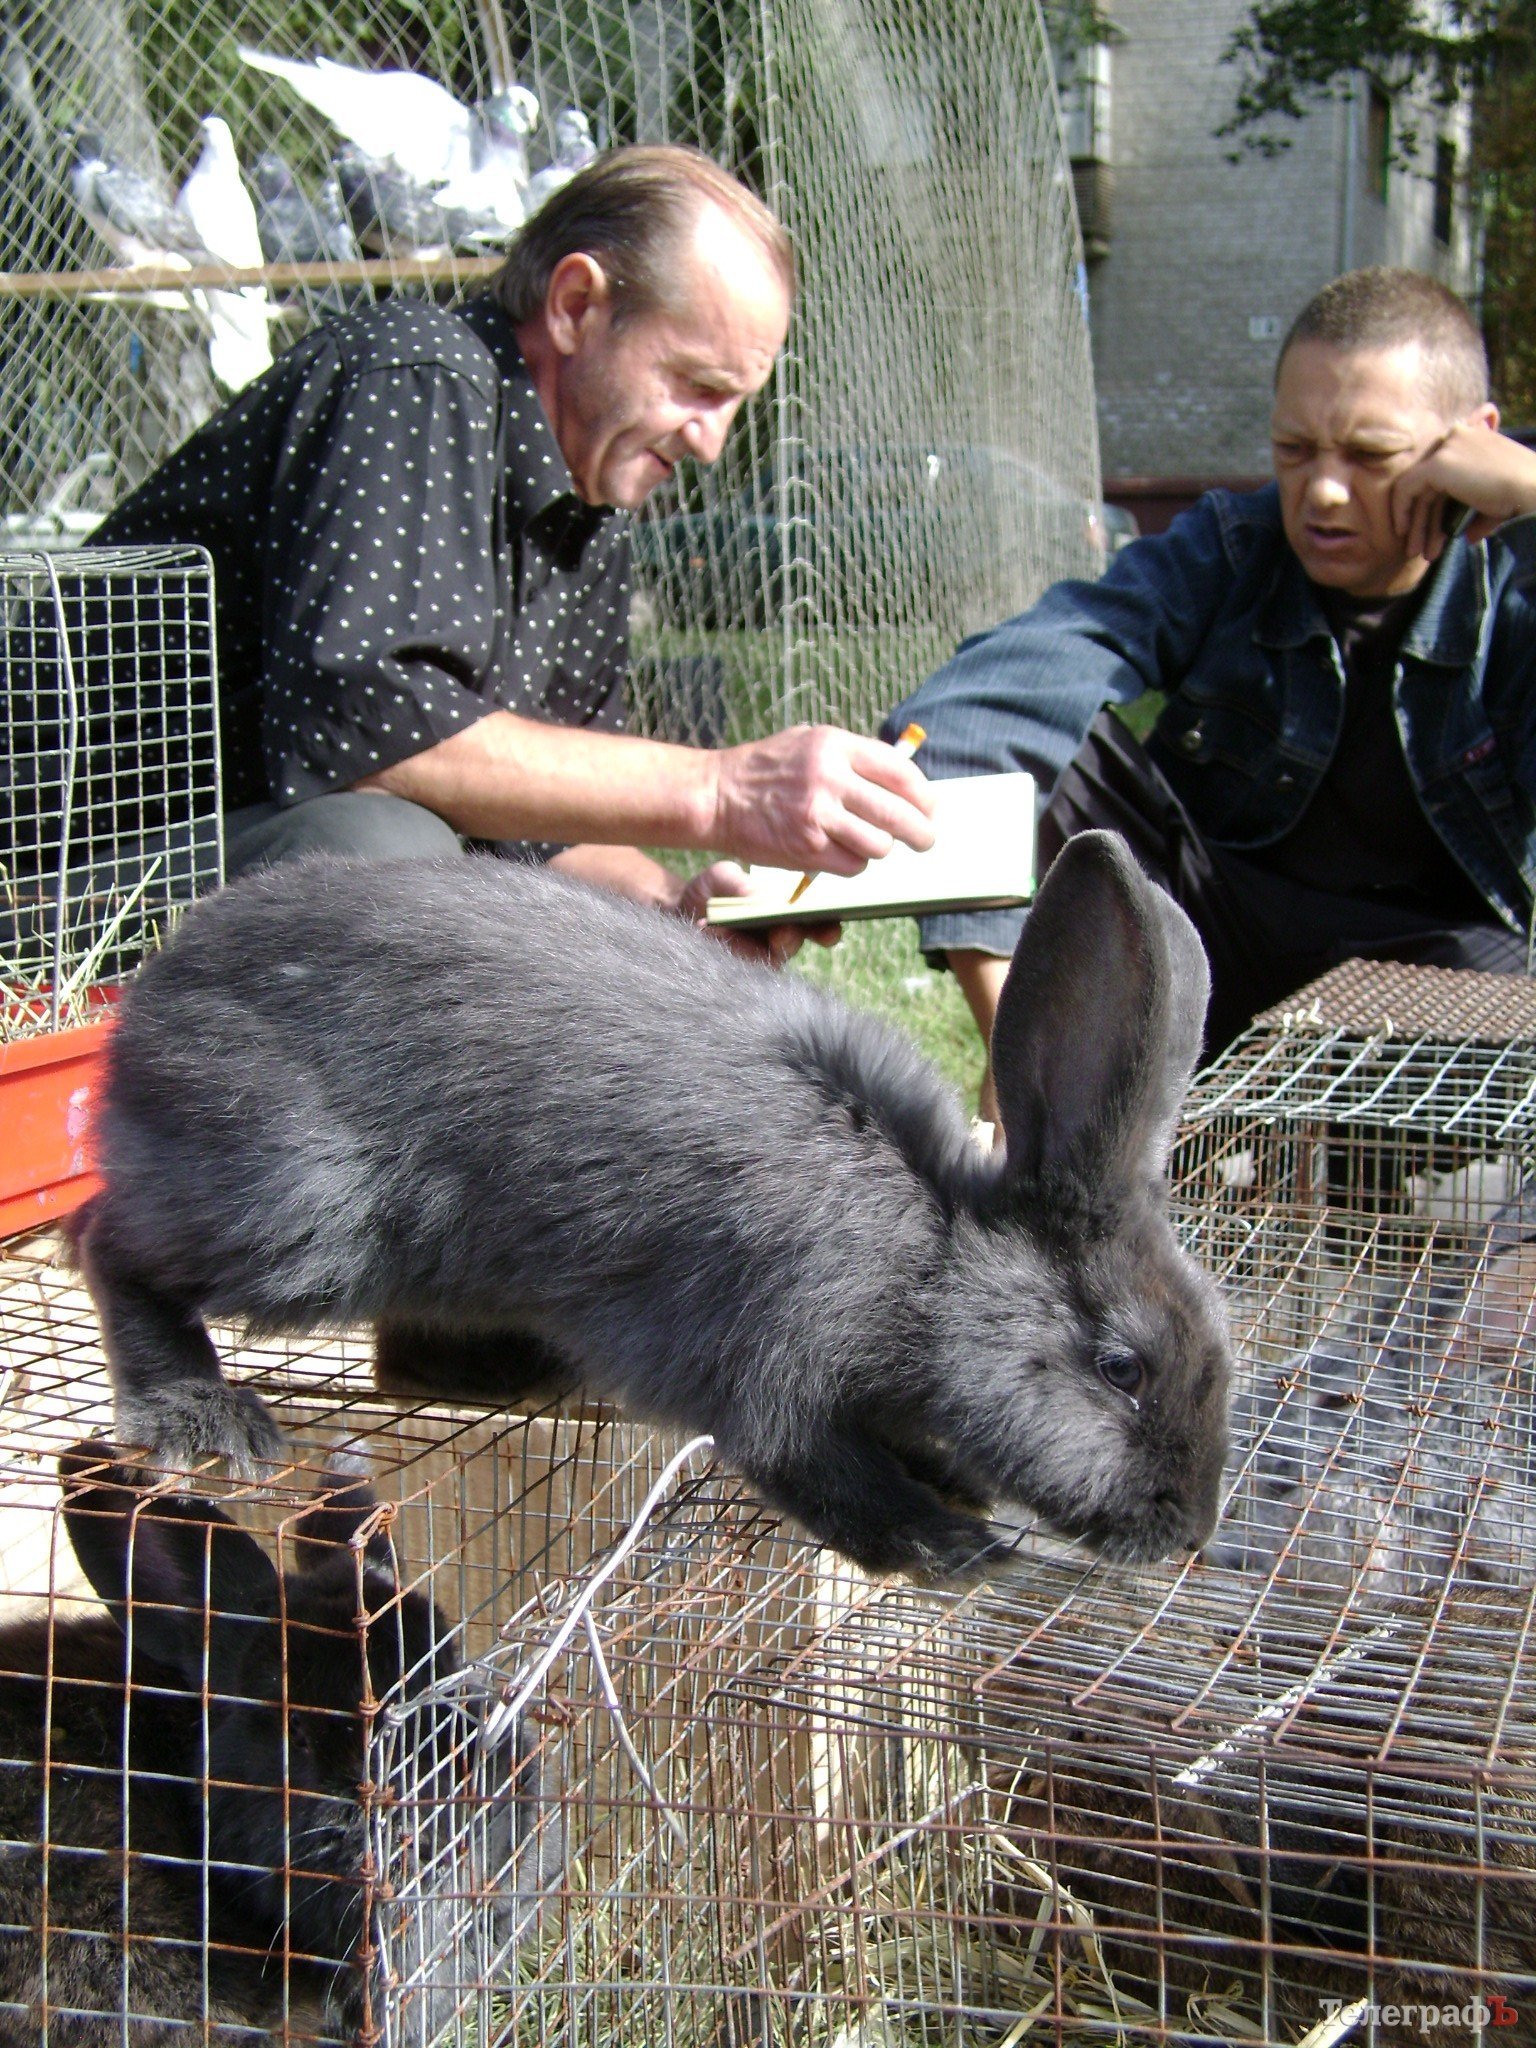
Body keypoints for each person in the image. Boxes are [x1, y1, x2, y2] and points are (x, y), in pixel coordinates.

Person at [94, 144, 932, 955]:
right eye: (698, 386)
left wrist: (674, 926)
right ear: (575, 306)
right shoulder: (416, 375)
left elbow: (546, 836)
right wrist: (726, 789)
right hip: (61, 872)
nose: (712, 442)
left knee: (453, 877)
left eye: (733, 402)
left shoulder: (590, 505)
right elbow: (368, 735)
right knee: (386, 850)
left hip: (243, 870)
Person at [885, 266, 1536, 1108]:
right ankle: (1060, 1077)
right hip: (1201, 945)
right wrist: (1015, 1040)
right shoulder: (1229, 549)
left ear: (1471, 445)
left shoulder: (1513, 592)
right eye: (1293, 450)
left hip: (1424, 975)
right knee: (1048, 737)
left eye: (1372, 455)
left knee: (1493, 1021)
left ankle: (1303, 1142)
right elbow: (973, 714)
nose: (1324, 492)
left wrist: (1530, 492)